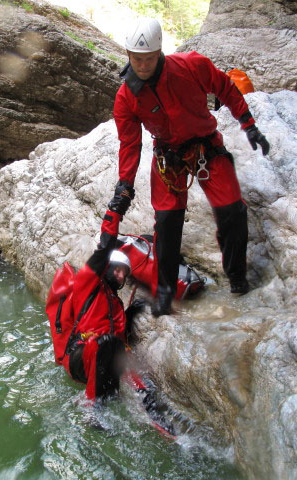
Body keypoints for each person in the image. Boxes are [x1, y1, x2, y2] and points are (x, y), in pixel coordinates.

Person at [108, 18, 270, 316]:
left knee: (232, 211)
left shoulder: (191, 66)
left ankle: (236, 277)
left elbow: (225, 88)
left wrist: (248, 125)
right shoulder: (126, 96)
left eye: (148, 59)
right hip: (168, 156)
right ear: (128, 56)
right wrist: (124, 186)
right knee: (167, 223)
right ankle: (165, 292)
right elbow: (129, 144)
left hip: (206, 146)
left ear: (160, 53)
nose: (142, 66)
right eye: (136, 59)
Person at [66, 208, 144, 401]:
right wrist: (117, 207)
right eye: (117, 270)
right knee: (106, 342)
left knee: (115, 347)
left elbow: (120, 336)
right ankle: (90, 407)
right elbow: (105, 248)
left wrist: (132, 313)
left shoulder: (116, 305)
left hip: (103, 358)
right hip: (81, 355)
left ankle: (136, 396)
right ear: (107, 267)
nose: (120, 276)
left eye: (124, 274)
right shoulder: (89, 284)